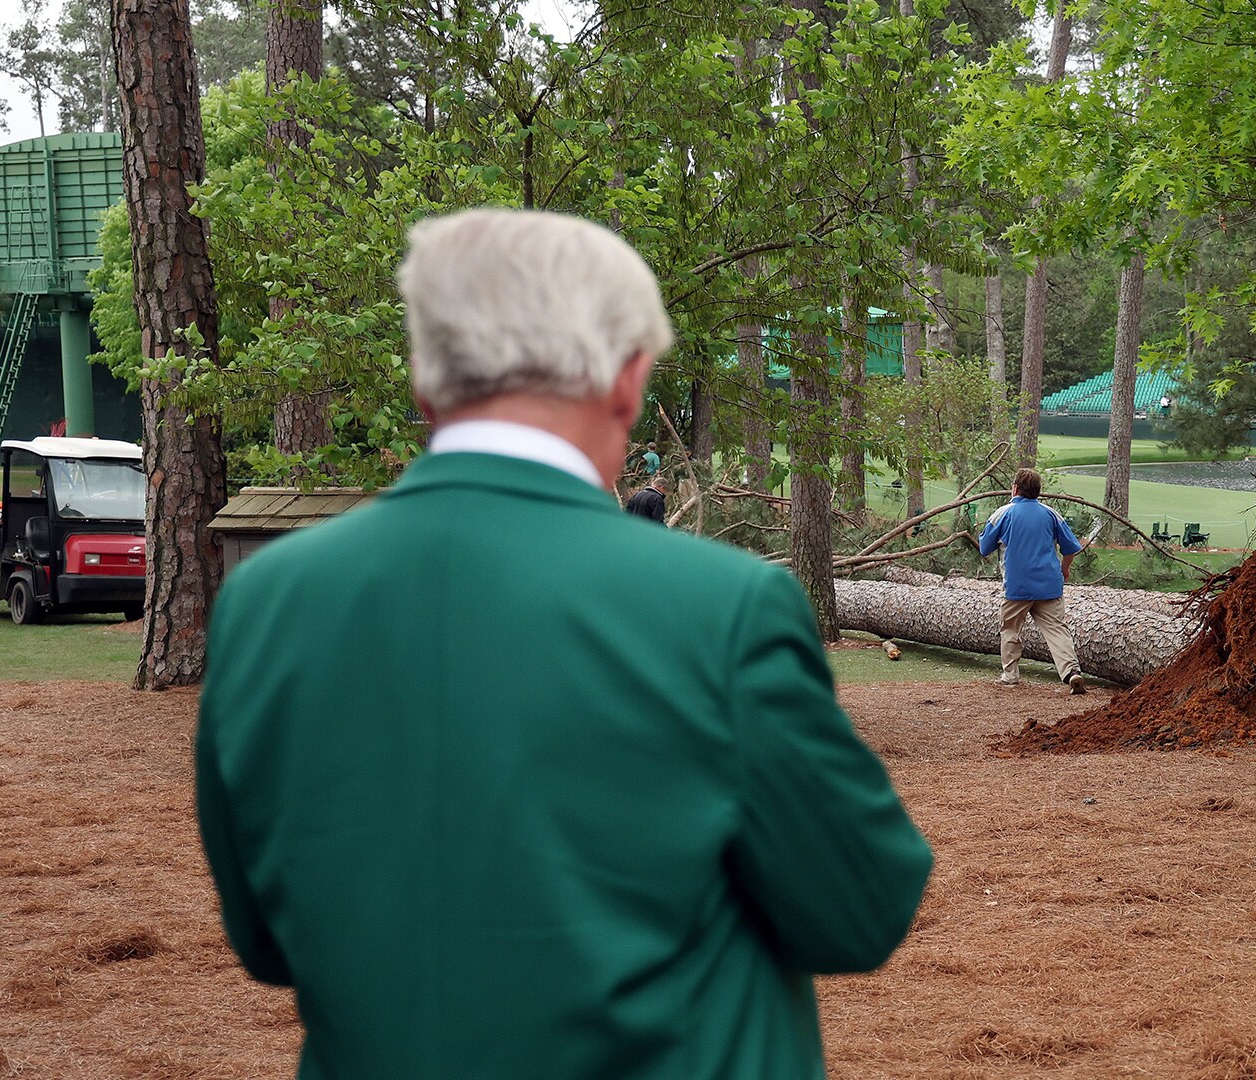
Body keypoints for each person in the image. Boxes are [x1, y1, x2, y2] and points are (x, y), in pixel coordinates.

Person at [195, 208, 932, 1079]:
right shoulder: (722, 607)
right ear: (627, 380)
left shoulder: (266, 603)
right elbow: (860, 907)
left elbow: (267, 942)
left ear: (428, 388)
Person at [978, 468, 1087, 693]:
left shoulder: (1002, 514)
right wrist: (1064, 569)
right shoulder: (1051, 514)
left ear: (1015, 488)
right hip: (1049, 584)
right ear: (1038, 491)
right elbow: (1071, 548)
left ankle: (1010, 675)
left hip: (1017, 587)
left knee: (1010, 629)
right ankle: (1071, 672)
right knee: (1057, 629)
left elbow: (984, 548)